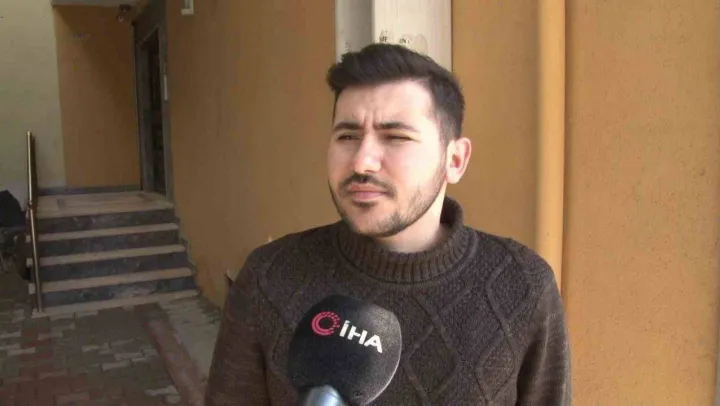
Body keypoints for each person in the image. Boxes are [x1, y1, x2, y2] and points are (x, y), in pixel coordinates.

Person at [204, 43, 571, 405]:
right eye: (347, 136)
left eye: (395, 137)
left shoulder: (522, 287)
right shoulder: (269, 277)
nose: (362, 162)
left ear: (455, 160)